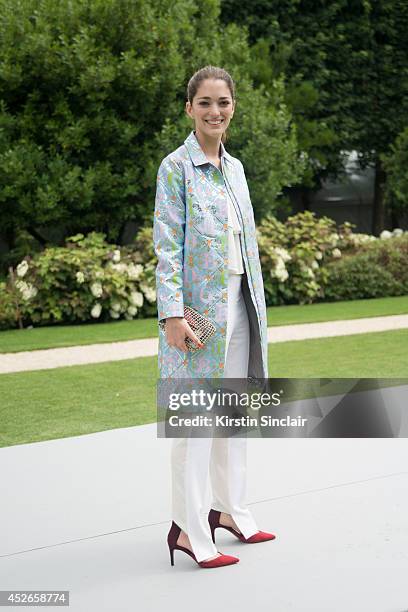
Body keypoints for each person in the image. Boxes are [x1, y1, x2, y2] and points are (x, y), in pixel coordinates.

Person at [153, 65, 276, 569]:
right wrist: (172, 315)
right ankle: (189, 530)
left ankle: (230, 513)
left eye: (223, 102)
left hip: (242, 305)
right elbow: (167, 248)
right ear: (189, 108)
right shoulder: (175, 168)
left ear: (233, 107)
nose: (215, 111)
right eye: (205, 102)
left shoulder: (237, 169)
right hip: (197, 314)